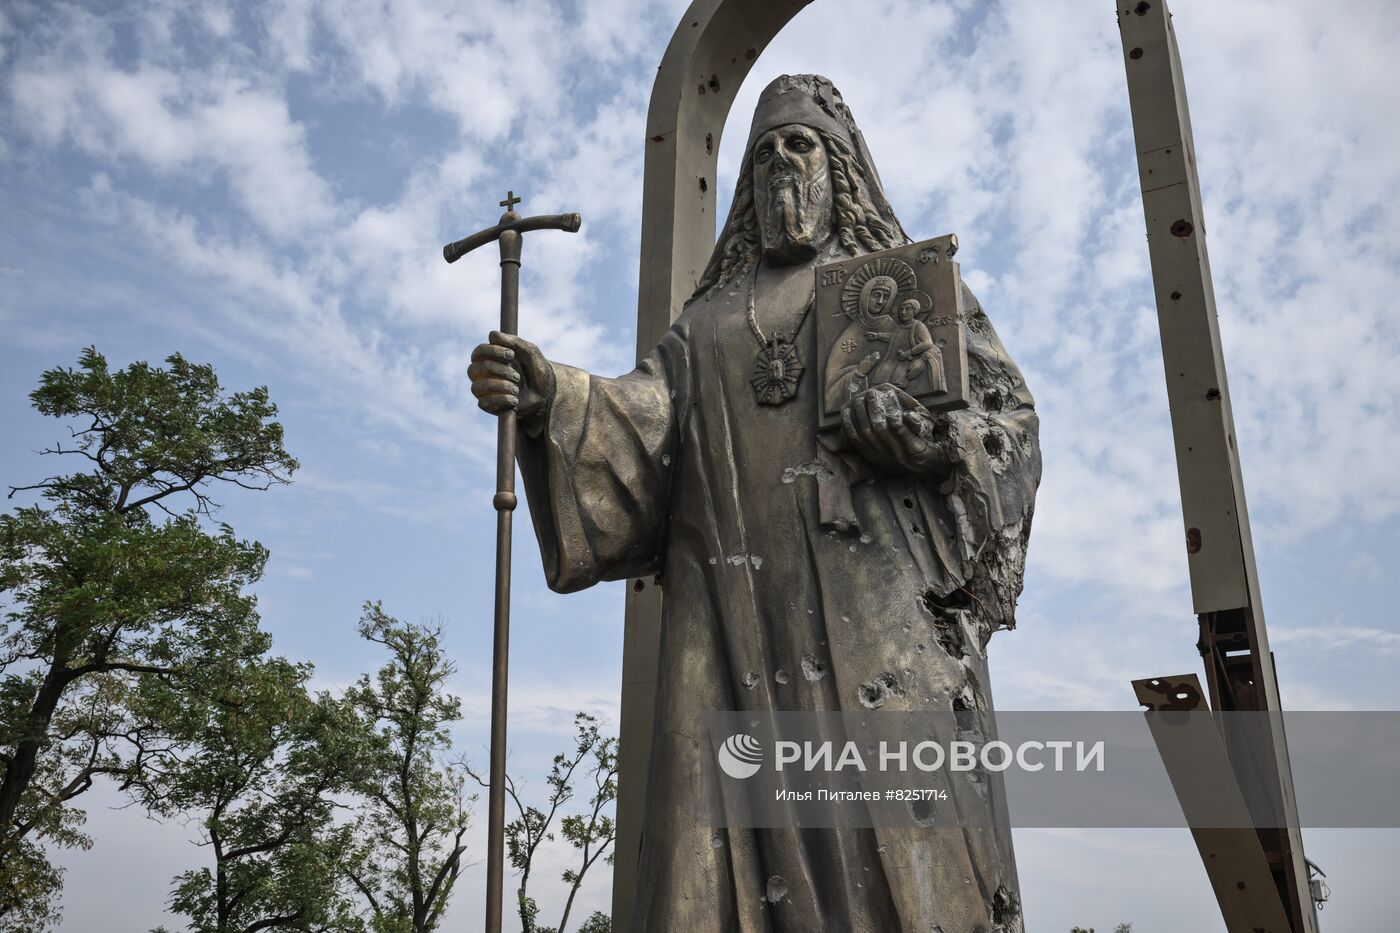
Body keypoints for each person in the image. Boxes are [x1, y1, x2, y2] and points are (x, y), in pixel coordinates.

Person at [469, 74, 1040, 933]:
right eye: (764, 149)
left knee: (905, 849)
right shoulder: (705, 326)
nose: (781, 162)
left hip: (874, 619)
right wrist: (553, 394)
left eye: (801, 144)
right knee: (705, 853)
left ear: (839, 167)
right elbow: (642, 428)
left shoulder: (909, 291)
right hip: (727, 618)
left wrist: (926, 443)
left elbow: (1010, 427)